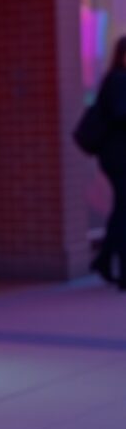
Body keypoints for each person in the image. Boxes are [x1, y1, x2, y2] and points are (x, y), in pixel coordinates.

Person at [90, 36, 126, 290]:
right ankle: (120, 269)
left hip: (117, 156)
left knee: (122, 210)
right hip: (118, 157)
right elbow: (120, 114)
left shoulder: (116, 80)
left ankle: (103, 259)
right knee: (124, 211)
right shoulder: (117, 80)